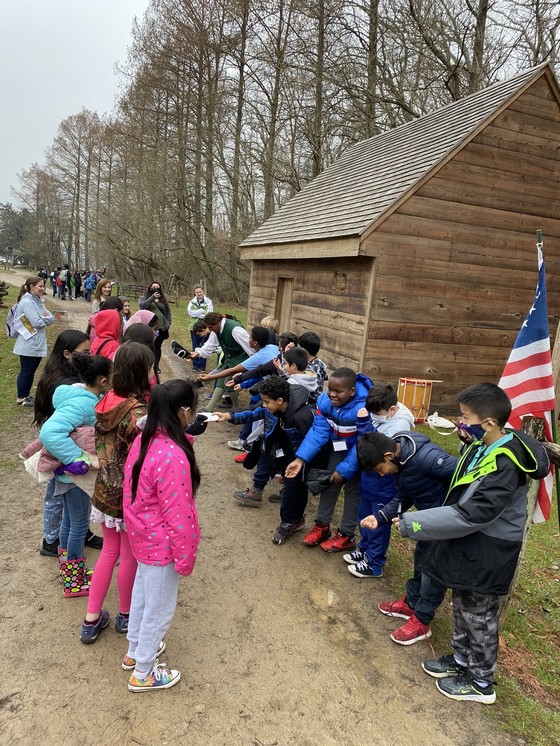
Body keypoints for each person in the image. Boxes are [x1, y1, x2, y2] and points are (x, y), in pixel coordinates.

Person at [395, 383, 549, 704]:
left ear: (489, 424)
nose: (461, 423)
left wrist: (415, 523)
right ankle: (461, 659)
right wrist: (469, 444)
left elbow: (473, 514)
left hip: (489, 548)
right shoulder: (485, 446)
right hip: (470, 544)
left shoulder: (505, 463)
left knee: (480, 615)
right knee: (462, 605)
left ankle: (480, 682)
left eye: (466, 418)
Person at [122, 379, 201, 691]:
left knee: (143, 594)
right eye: (192, 410)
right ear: (182, 411)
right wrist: (185, 556)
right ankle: (143, 672)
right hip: (162, 542)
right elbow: (180, 514)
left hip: (142, 536)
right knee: (159, 607)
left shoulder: (145, 438)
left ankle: (134, 651)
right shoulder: (171, 456)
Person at [80, 342, 155, 643]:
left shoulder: (107, 397)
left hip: (104, 487)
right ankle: (125, 615)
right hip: (128, 493)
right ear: (141, 370)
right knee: (128, 556)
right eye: (149, 366)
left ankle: (91, 619)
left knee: (108, 554)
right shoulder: (137, 413)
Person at [358, 429, 457, 644]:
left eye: (380, 470)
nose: (382, 475)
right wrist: (381, 517)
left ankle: (422, 620)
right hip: (427, 522)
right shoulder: (402, 463)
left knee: (433, 569)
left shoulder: (426, 458)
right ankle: (411, 603)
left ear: (388, 456)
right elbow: (404, 496)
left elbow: (463, 473)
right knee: (421, 559)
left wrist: (451, 512)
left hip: (444, 522)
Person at [39, 354, 112, 598]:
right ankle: (73, 582)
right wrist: (75, 459)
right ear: (102, 381)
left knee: (69, 523)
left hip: (68, 476)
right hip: (74, 478)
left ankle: (70, 571)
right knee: (79, 525)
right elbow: (50, 432)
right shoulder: (83, 404)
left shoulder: (81, 396)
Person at [285, 367, 373, 552]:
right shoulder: (324, 401)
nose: (332, 394)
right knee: (329, 483)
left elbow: (364, 441)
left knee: (353, 491)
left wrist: (345, 469)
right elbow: (319, 431)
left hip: (361, 452)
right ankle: (322, 526)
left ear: (352, 391)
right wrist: (300, 459)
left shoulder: (364, 407)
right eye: (330, 389)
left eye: (338, 391)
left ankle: (346, 535)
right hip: (339, 447)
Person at [216, 376, 313, 542]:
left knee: (295, 486)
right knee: (268, 465)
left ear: (280, 400)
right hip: (275, 447)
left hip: (297, 457)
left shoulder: (301, 417)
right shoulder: (270, 407)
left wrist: (299, 462)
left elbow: (309, 442)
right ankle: (261, 494)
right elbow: (253, 411)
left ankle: (291, 521)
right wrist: (229, 415)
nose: (265, 406)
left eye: (267, 402)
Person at [32, 329, 99, 557]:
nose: (88, 356)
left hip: (64, 453)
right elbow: (54, 430)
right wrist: (76, 457)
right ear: (67, 354)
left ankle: (66, 553)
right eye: (85, 352)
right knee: (59, 501)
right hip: (66, 456)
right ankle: (53, 544)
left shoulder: (68, 378)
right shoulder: (65, 384)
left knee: (71, 514)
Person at [342, 383, 415, 578]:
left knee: (378, 523)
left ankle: (374, 563)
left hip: (384, 485)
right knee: (363, 517)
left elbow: (376, 447)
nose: (374, 417)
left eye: (378, 413)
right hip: (369, 480)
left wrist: (365, 424)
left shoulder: (400, 425)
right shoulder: (381, 413)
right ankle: (364, 550)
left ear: (391, 410)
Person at [191, 312, 252, 410]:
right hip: (230, 359)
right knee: (221, 381)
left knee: (228, 383)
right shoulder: (216, 331)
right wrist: (197, 353)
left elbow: (251, 348)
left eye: (211, 327)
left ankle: (236, 408)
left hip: (242, 359)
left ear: (218, 322)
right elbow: (209, 345)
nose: (209, 330)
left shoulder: (235, 330)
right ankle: (208, 409)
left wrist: (252, 365)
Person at [13, 276, 56, 406]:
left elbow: (51, 318)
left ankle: (26, 395)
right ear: (32, 287)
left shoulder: (37, 301)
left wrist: (41, 318)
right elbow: (36, 322)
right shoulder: (26, 302)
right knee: (26, 370)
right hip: (28, 342)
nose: (43, 289)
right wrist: (42, 319)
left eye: (43, 286)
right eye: (40, 286)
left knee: (31, 371)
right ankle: (21, 397)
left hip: (37, 342)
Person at [139, 282, 172, 370]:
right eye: (153, 287)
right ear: (150, 288)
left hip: (161, 327)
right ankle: (147, 364)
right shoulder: (144, 298)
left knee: (157, 347)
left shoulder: (163, 299)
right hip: (149, 327)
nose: (155, 289)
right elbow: (142, 306)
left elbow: (168, 311)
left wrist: (169, 322)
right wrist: (152, 297)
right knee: (148, 346)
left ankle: (156, 366)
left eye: (157, 288)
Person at [297, 331, 328, 409]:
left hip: (311, 405)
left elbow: (315, 391)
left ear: (304, 350)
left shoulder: (313, 368)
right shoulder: (319, 363)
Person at [187, 286, 213, 372]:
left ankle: (202, 366)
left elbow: (209, 313)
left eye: (200, 292)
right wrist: (201, 311)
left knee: (204, 345)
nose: (199, 294)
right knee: (195, 345)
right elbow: (191, 312)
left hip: (205, 327)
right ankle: (195, 365)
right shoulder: (192, 302)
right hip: (194, 327)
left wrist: (198, 312)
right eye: (197, 292)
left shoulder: (208, 301)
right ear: (195, 293)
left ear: (203, 292)